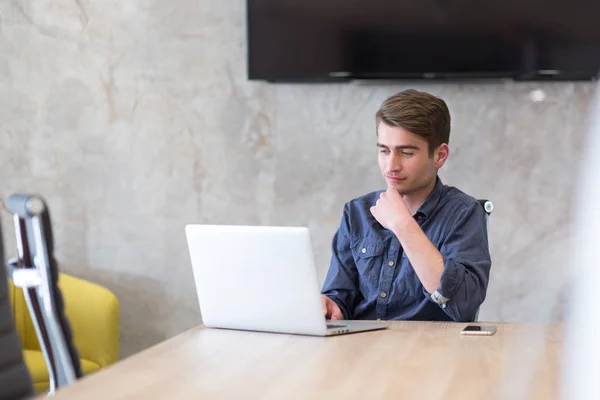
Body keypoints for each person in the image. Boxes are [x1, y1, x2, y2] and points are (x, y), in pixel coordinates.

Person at [321, 89, 491, 322]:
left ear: (439, 155)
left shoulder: (463, 213)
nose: (391, 165)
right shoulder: (356, 212)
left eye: (406, 153)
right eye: (384, 151)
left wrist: (402, 225)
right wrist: (331, 305)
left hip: (431, 351)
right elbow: (339, 296)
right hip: (362, 349)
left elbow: (464, 305)